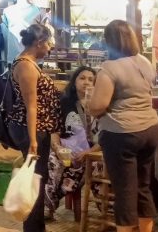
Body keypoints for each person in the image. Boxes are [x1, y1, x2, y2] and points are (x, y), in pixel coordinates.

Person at [88, 20, 158, 232]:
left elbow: (98, 105)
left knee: (125, 191)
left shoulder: (109, 68)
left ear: (109, 41)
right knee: (143, 187)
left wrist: (90, 105)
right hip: (150, 129)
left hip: (123, 134)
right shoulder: (144, 62)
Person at [8, 23, 61, 232]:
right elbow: (31, 106)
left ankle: (36, 227)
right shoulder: (26, 66)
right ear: (39, 43)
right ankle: (33, 228)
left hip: (37, 129)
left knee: (38, 179)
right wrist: (33, 141)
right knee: (35, 180)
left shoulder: (29, 63)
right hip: (32, 129)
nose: (49, 48)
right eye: (48, 43)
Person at [44, 66, 99, 220]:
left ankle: (111, 211)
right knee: (52, 161)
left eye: (91, 79)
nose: (86, 82)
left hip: (93, 152)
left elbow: (105, 136)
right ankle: (48, 207)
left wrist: (89, 152)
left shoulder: (100, 104)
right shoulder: (64, 101)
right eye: (82, 78)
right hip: (68, 150)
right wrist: (57, 147)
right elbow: (54, 129)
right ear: (74, 81)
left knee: (101, 166)